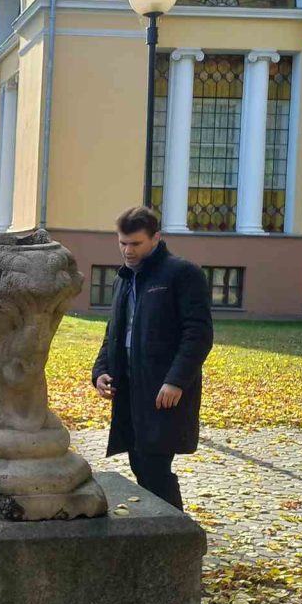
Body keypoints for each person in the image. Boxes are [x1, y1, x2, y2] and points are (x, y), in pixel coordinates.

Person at [91, 206, 214, 510]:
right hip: (128, 387)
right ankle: (160, 526)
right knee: (140, 463)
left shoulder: (182, 273)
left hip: (162, 390)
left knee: (154, 466)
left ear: (156, 238)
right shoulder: (123, 278)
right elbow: (114, 332)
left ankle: (174, 531)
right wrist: (101, 371)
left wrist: (176, 381)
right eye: (122, 243)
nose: (127, 251)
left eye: (136, 243)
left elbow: (198, 334)